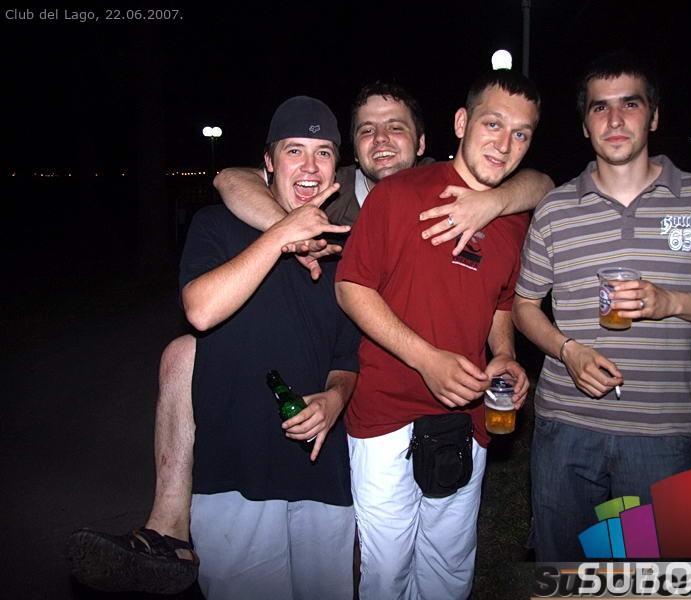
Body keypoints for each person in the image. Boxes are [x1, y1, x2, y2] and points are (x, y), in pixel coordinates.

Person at [66, 81, 553, 594]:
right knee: (182, 353)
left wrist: (493, 202)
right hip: (306, 443)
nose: (382, 140)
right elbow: (228, 181)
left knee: (403, 568)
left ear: (424, 141)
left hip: (352, 451)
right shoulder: (314, 214)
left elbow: (537, 191)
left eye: (323, 152)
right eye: (366, 130)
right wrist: (288, 229)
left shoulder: (447, 204)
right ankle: (168, 527)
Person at [512, 51, 691, 562]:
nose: (615, 119)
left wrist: (670, 301)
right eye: (600, 108)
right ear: (585, 125)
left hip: (660, 432)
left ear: (654, 116)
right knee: (564, 572)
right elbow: (524, 305)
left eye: (630, 104)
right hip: (565, 425)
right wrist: (568, 351)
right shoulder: (555, 209)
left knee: (652, 579)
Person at [334, 69, 541, 599]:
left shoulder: (514, 219)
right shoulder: (397, 194)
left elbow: (501, 301)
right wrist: (427, 359)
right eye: (493, 124)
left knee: (449, 565)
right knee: (385, 570)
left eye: (520, 133)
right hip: (385, 417)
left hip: (467, 416)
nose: (504, 144)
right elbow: (352, 287)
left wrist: (504, 354)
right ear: (462, 122)